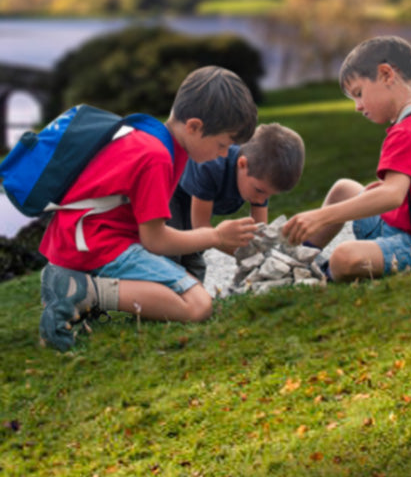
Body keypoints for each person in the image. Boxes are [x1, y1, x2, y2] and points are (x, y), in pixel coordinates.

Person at [38, 66, 260, 351]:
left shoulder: (154, 136)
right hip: (100, 244)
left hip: (79, 239)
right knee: (197, 305)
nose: (222, 155)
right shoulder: (157, 157)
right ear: (194, 126)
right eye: (222, 144)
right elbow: (154, 240)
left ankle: (77, 289)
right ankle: (81, 292)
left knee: (182, 288)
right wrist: (216, 236)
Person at [282, 35, 411, 279]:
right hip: (403, 223)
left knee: (344, 258)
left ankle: (313, 274)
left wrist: (319, 216)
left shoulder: (409, 130)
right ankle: (300, 258)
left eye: (359, 93)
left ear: (386, 75)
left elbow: (391, 195)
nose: (357, 106)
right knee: (343, 189)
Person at [167, 122, 306, 282]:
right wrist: (246, 255)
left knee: (194, 257)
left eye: (269, 195)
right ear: (242, 164)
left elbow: (260, 232)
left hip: (197, 196)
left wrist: (265, 256)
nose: (261, 200)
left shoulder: (258, 179)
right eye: (260, 191)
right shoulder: (211, 167)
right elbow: (202, 227)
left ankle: (191, 297)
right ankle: (163, 297)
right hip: (171, 191)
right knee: (174, 251)